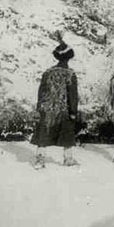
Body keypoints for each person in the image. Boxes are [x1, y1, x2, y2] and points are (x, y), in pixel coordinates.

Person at [31, 37, 79, 169]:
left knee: (43, 134)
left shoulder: (47, 73)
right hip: (63, 109)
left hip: (47, 109)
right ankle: (68, 159)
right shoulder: (70, 74)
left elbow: (41, 92)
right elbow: (73, 95)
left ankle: (40, 160)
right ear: (69, 58)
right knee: (67, 134)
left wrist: (39, 108)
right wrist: (73, 112)